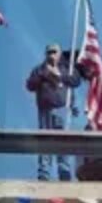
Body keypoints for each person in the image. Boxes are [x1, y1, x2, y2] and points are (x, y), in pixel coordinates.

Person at [25, 43, 82, 181]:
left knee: (63, 140)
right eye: (49, 52)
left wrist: (60, 76)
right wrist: (44, 75)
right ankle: (44, 172)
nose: (52, 55)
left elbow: (76, 80)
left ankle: (64, 170)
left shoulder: (67, 68)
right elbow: (30, 85)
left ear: (59, 53)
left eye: (54, 52)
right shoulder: (39, 69)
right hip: (45, 109)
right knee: (45, 139)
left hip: (63, 108)